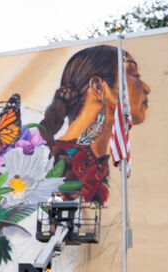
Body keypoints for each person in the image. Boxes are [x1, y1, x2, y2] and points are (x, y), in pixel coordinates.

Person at [40, 45, 150, 205]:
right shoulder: (60, 160)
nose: (146, 87)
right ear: (98, 86)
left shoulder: (96, 161)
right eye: (132, 73)